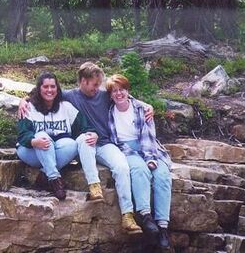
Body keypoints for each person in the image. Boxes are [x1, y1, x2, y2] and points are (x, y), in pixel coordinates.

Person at [19, 62, 153, 234]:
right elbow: (45, 93)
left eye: (99, 84)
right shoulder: (69, 96)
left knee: (121, 167)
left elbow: (125, 97)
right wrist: (24, 100)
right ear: (83, 81)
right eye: (94, 84)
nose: (97, 88)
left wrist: (147, 105)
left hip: (105, 143)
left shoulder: (104, 95)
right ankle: (94, 186)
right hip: (85, 145)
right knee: (85, 138)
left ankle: (127, 215)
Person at [106, 74, 172, 249]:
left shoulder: (142, 108)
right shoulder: (109, 111)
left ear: (128, 91)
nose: (119, 94)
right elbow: (117, 142)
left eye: (122, 90)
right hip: (125, 150)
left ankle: (163, 226)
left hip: (147, 147)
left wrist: (151, 159)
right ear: (110, 94)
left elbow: (148, 137)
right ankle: (145, 216)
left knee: (162, 175)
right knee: (139, 169)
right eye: (114, 91)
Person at [17, 72, 103, 202]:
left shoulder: (66, 107)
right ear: (39, 88)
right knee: (42, 136)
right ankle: (54, 179)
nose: (49, 90)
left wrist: (94, 133)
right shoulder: (29, 107)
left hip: (56, 151)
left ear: (57, 88)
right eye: (45, 87)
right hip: (31, 151)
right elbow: (22, 134)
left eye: (53, 86)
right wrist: (34, 141)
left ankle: (44, 175)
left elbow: (85, 127)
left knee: (73, 144)